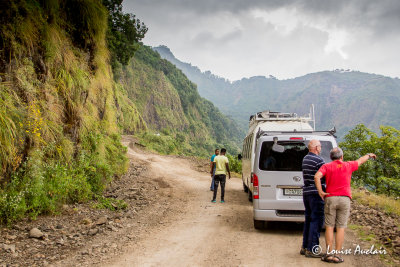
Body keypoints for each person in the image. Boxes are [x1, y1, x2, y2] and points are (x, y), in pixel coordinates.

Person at [315, 147, 376, 263]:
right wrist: (369, 154)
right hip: (344, 198)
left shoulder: (327, 166)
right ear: (342, 157)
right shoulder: (348, 165)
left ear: (331, 157)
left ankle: (328, 254)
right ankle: (337, 255)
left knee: (329, 226)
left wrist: (320, 191)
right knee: (341, 227)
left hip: (330, 198)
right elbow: (360, 161)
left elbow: (317, 176)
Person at [300, 140, 325, 258]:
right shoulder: (319, 161)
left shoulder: (305, 159)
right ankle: (312, 249)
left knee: (308, 220)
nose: (321, 148)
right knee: (317, 221)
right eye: (320, 146)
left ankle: (305, 247)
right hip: (316, 193)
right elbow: (322, 178)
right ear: (315, 148)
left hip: (306, 193)